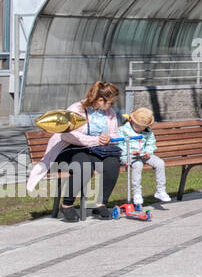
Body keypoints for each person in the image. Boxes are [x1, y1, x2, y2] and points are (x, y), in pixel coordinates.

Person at [26, 81, 126, 221]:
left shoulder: (110, 113)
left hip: (95, 150)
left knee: (112, 163)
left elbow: (114, 134)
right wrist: (96, 140)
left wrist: (109, 138)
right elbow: (67, 134)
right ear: (100, 100)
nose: (112, 106)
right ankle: (67, 205)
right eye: (110, 102)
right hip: (69, 148)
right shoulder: (76, 109)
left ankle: (99, 204)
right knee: (83, 165)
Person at [120, 108, 172, 208]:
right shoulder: (123, 130)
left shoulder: (148, 131)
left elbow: (151, 143)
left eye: (143, 128)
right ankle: (137, 193)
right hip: (128, 155)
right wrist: (130, 152)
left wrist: (148, 152)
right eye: (139, 127)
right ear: (131, 120)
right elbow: (119, 145)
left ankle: (161, 190)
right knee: (138, 165)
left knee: (160, 163)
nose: (141, 130)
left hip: (144, 154)